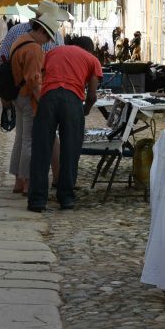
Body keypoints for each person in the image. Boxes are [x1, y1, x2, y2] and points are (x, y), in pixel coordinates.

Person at [28, 36, 103, 212]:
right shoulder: (92, 60)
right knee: (70, 149)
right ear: (89, 50)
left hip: (49, 97)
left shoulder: (53, 51)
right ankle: (66, 197)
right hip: (73, 100)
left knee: (41, 149)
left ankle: (37, 200)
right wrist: (85, 110)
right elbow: (92, 95)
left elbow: (39, 75)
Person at [8, 12, 63, 195]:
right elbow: (34, 81)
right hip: (27, 96)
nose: (47, 40)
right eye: (46, 35)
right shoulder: (34, 49)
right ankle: (28, 184)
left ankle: (18, 181)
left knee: (20, 140)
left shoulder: (20, 40)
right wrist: (43, 103)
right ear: (39, 29)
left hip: (17, 94)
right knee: (29, 141)